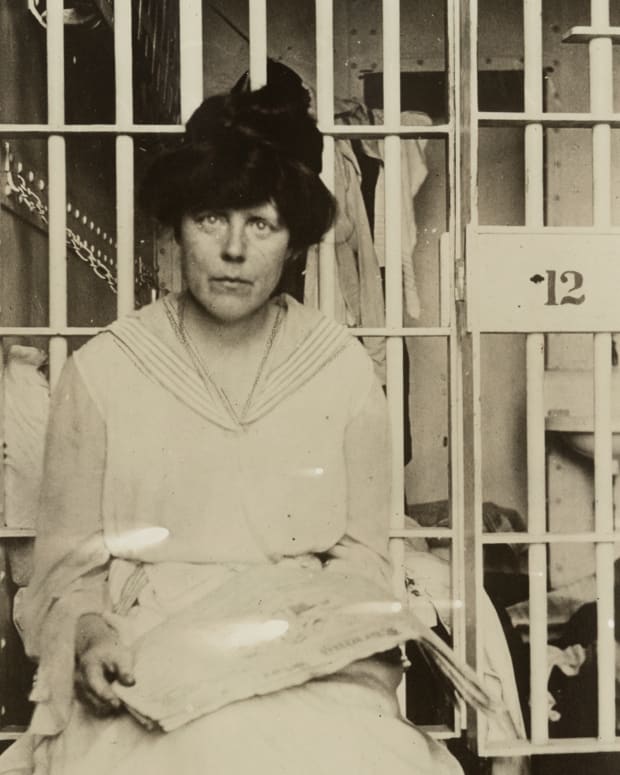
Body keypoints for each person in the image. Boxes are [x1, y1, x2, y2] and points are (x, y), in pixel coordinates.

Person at [0, 65, 465, 775]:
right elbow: (65, 576)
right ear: (176, 227)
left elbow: (361, 560)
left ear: (297, 240)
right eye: (212, 217)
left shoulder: (340, 370)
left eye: (262, 222)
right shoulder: (104, 372)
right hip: (146, 657)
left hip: (303, 664)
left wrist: (321, 630)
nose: (235, 249)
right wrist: (90, 635)